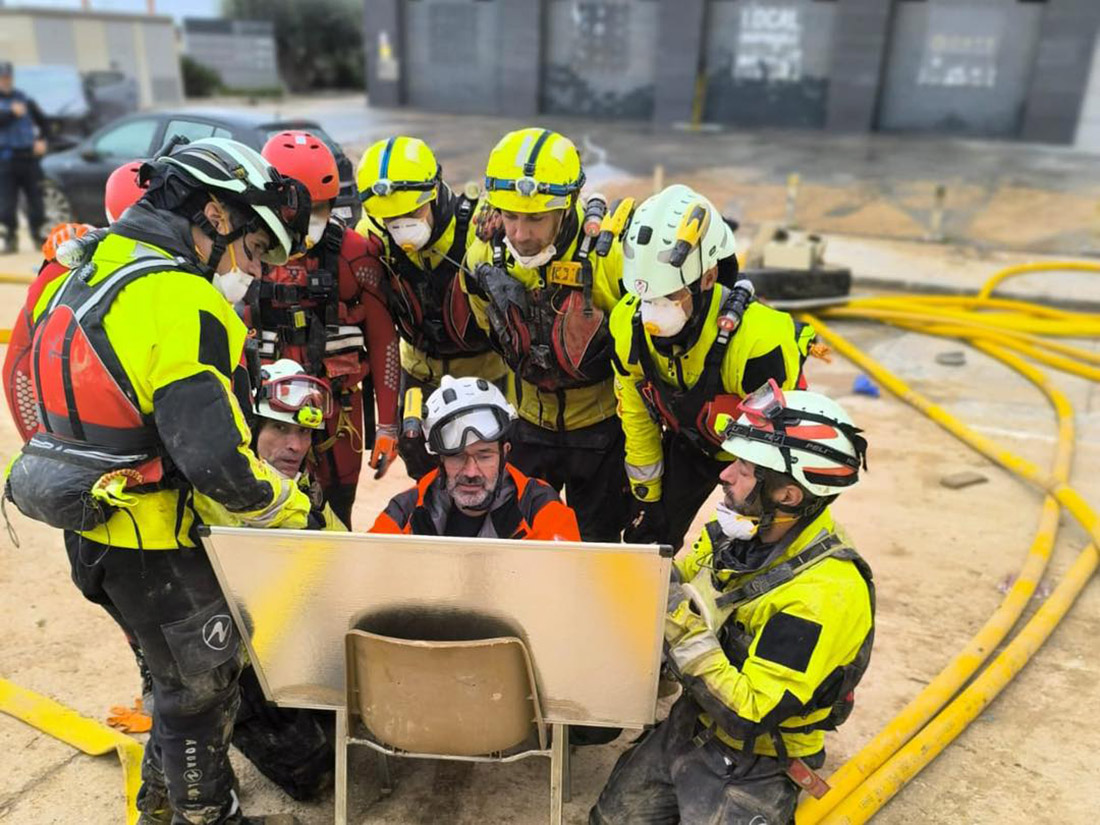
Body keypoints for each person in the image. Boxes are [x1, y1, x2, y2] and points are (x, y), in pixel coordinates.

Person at [4, 136, 316, 825]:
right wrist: (286, 506)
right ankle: (210, 814)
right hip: (154, 541)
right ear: (212, 211)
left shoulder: (91, 266)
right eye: (250, 248)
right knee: (199, 691)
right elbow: (214, 461)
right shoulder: (181, 298)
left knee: (166, 677)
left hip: (89, 532)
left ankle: (159, 805)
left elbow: (24, 377)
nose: (250, 269)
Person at [590, 383, 874, 825]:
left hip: (757, 760)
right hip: (693, 723)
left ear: (788, 494)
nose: (725, 474)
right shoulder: (738, 532)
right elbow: (681, 582)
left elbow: (750, 713)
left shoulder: (822, 595)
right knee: (611, 820)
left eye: (744, 467)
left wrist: (675, 619)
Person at [610, 184, 814, 551]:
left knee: (752, 541)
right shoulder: (627, 324)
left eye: (670, 297)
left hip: (757, 455)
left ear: (707, 278)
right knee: (647, 540)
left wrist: (749, 504)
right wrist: (647, 497)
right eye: (646, 299)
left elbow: (779, 450)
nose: (653, 314)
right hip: (690, 443)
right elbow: (637, 417)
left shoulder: (758, 342)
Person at [461, 127, 628, 543]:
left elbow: (637, 359)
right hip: (528, 426)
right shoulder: (484, 254)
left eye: (535, 218)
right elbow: (486, 325)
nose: (519, 234)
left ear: (568, 206)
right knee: (522, 541)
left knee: (598, 546)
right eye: (510, 216)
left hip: (602, 430)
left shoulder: (609, 258)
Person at [258, 130, 401, 527]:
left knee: (336, 515)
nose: (307, 221)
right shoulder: (245, 252)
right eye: (297, 209)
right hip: (268, 417)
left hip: (339, 419)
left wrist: (388, 425)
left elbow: (383, 339)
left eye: (319, 209)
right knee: (266, 512)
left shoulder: (356, 255)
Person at [355, 135, 506, 479]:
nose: (401, 225)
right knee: (425, 476)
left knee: (483, 474)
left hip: (487, 375)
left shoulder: (478, 229)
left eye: (411, 212)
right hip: (418, 377)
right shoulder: (372, 236)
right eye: (390, 218)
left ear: (435, 191)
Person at [4, 160, 144, 441]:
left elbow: (19, 364)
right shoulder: (200, 271)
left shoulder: (66, 262)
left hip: (84, 445)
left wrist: (38, 443)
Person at [370, 374, 579, 541]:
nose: (471, 472)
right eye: (457, 457)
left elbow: (566, 582)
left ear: (504, 453)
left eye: (484, 455)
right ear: (440, 460)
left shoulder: (540, 508)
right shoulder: (405, 512)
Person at [0, 60, 49, 253]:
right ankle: (10, 238)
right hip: (5, 160)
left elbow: (44, 122)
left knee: (36, 201)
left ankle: (38, 236)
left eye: (7, 77)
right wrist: (10, 112)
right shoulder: (9, 105)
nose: (5, 80)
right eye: (2, 77)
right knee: (6, 204)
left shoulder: (24, 99)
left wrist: (42, 140)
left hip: (29, 158)